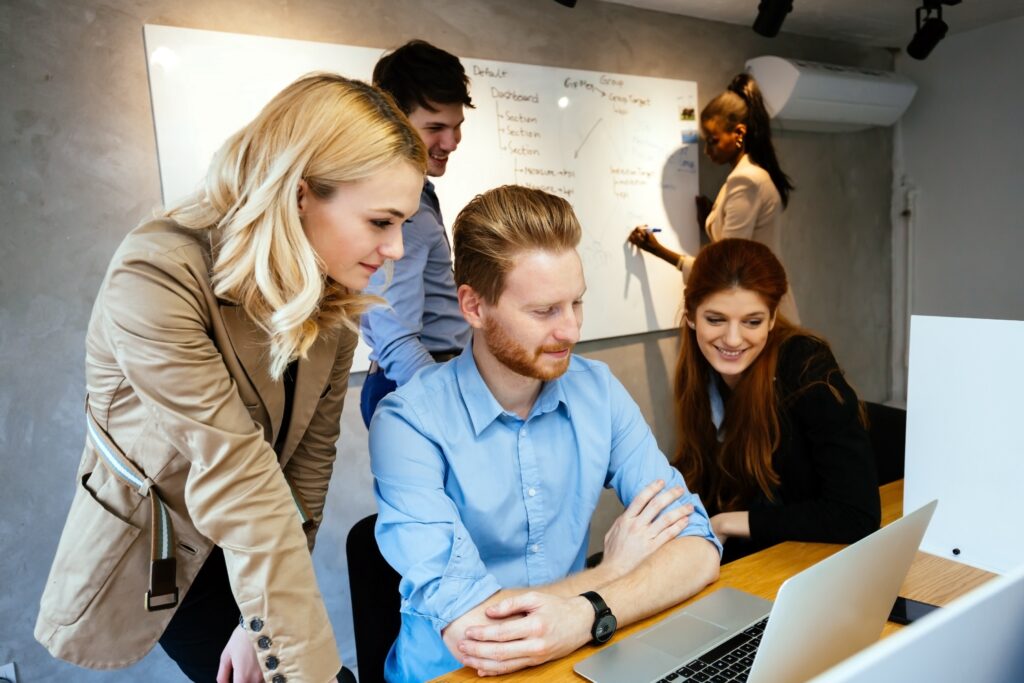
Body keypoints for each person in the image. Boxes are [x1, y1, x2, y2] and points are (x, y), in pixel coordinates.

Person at [34, 74, 426, 683]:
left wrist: (258, 622)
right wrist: (294, 655)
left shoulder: (331, 299)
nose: (397, 248)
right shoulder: (157, 274)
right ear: (300, 196)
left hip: (255, 526)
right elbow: (238, 474)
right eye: (381, 222)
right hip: (166, 548)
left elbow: (306, 470)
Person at [369, 185, 722, 681]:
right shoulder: (408, 423)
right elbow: (477, 627)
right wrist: (611, 574)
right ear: (473, 307)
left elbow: (698, 547)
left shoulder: (596, 389)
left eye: (576, 303)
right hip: (455, 674)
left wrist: (584, 613)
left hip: (572, 659)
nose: (572, 330)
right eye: (544, 312)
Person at [673, 238, 880, 563]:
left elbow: (856, 515)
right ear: (690, 316)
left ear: (771, 319)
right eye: (715, 320)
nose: (732, 339)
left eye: (752, 322)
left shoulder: (804, 364)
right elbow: (705, 476)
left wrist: (727, 523)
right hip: (759, 553)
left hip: (814, 559)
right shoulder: (698, 371)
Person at [359, 40, 474, 427]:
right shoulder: (398, 213)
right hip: (414, 381)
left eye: (457, 127)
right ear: (393, 121)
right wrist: (452, 411)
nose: (452, 143)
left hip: (425, 376)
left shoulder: (417, 195)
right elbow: (395, 338)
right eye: (435, 128)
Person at [628, 73, 800, 322]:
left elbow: (726, 267)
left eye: (713, 141)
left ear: (739, 133)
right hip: (758, 306)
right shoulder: (747, 176)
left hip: (759, 311)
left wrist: (658, 250)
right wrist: (713, 218)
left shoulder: (746, 180)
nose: (707, 151)